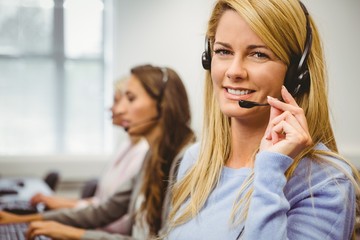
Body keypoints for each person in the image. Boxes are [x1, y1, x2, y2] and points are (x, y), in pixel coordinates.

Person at [166, 1, 360, 240]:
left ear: (297, 74)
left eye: (258, 54)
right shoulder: (195, 161)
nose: (235, 71)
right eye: (223, 51)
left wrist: (270, 169)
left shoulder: (325, 182)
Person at [0, 64, 196, 240]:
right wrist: (29, 218)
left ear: (163, 105)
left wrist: (75, 234)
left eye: (131, 99)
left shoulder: (186, 161)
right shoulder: (152, 157)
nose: (120, 110)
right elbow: (104, 211)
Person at [29, 76, 149, 234]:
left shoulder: (144, 153)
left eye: (117, 101)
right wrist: (60, 203)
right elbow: (103, 205)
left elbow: (117, 218)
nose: (114, 109)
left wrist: (62, 210)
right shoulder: (126, 144)